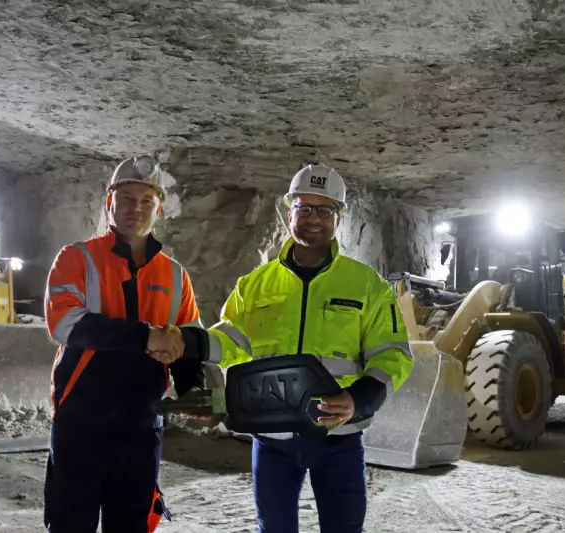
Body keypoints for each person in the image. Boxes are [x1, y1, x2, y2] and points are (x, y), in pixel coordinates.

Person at [177, 163, 415, 533]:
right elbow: (232, 340)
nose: (313, 219)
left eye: (325, 210)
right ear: (289, 213)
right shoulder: (255, 284)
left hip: (338, 438)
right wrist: (186, 343)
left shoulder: (367, 285)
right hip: (272, 439)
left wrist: (360, 399)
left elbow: (393, 353)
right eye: (304, 208)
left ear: (339, 217)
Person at [42, 154, 206, 533]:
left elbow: (186, 339)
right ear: (109, 201)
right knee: (71, 522)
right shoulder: (75, 258)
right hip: (82, 418)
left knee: (131, 524)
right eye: (127, 199)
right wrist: (147, 336)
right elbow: (65, 323)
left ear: (158, 207)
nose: (136, 208)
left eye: (146, 201)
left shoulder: (176, 274)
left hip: (141, 422)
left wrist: (191, 386)